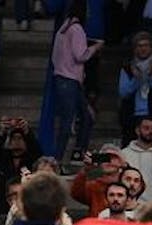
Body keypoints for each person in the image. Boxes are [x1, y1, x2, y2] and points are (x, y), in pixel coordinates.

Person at [50, 1, 103, 164]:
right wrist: (96, 47)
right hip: (70, 81)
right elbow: (82, 56)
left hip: (64, 79)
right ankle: (58, 159)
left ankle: (77, 154)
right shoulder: (76, 29)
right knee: (67, 123)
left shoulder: (62, 29)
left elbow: (55, 56)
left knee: (87, 116)